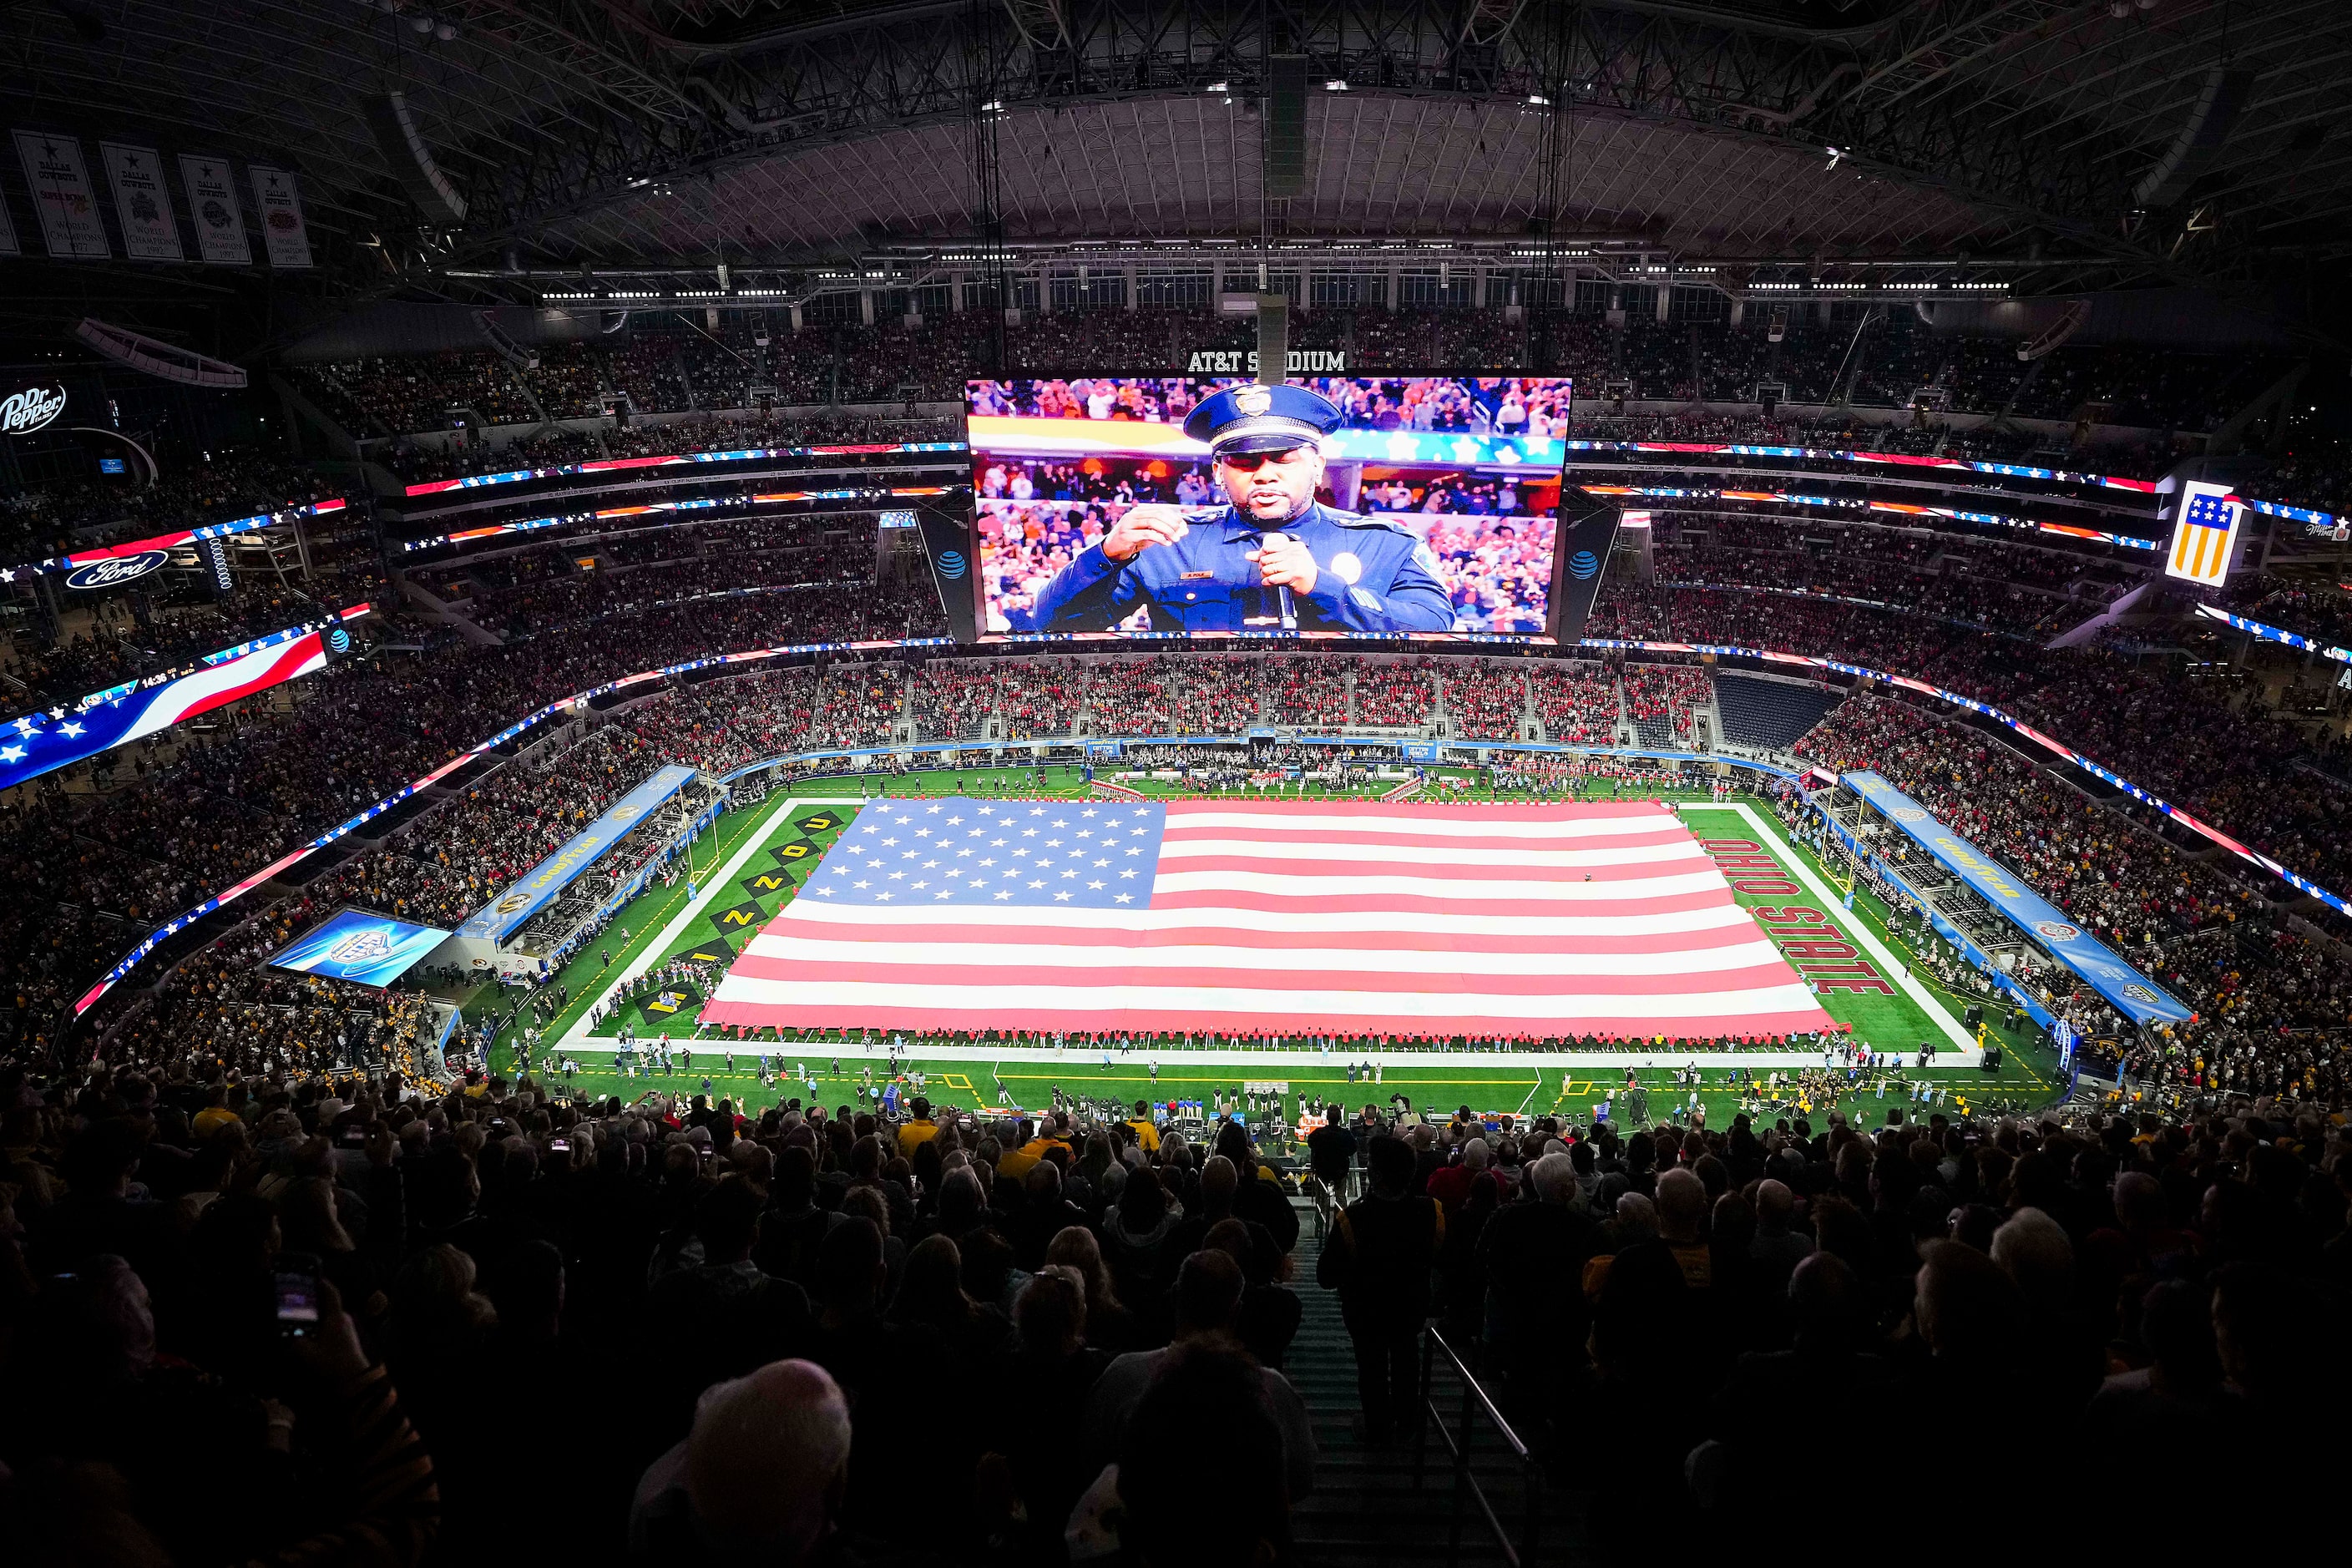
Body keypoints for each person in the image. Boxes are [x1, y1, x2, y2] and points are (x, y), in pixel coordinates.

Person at [1021, 382, 1454, 633]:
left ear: (1318, 467)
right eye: (1245, 462)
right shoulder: (1168, 544)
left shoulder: (1385, 543)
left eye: (1283, 459)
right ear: (1217, 471)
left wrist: (1322, 586)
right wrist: (1105, 556)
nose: (1264, 475)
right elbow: (1046, 623)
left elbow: (1435, 627)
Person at [1315, 1133, 1443, 1444]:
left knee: (1371, 1370)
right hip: (1410, 1311)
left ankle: (1377, 1428)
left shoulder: (1353, 1219)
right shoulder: (1432, 1213)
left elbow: (1325, 1276)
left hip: (1366, 1315)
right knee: (1407, 1360)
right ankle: (1408, 1422)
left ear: (1375, 1173)